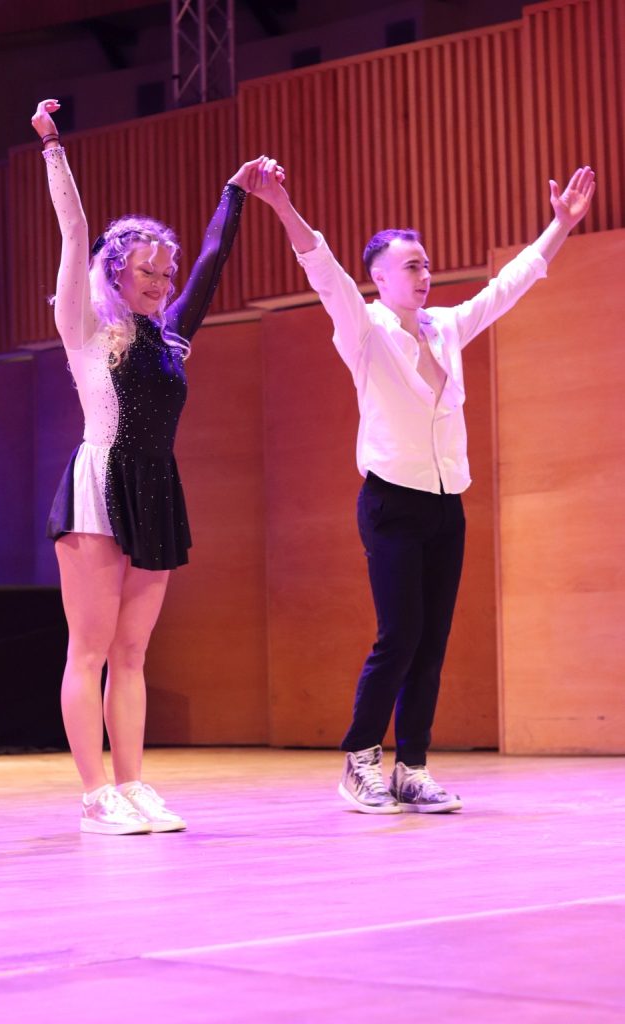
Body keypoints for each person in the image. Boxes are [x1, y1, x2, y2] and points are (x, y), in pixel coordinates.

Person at [251, 164, 595, 814]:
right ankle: (359, 761)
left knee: (431, 641)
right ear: (378, 278)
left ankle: (411, 768)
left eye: (426, 264)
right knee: (399, 635)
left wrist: (560, 226)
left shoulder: (445, 327)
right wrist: (281, 205)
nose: (424, 274)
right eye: (410, 265)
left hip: (445, 506)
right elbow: (321, 269)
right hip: (391, 504)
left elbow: (509, 284)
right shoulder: (364, 330)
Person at [31, 98, 282, 835]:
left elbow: (211, 263)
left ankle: (133, 783)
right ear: (115, 271)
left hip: (155, 487)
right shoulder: (85, 326)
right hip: (100, 485)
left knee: (133, 652)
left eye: (165, 275)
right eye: (148, 271)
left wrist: (234, 194)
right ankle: (94, 795)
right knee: (90, 649)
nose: (162, 283)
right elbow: (73, 229)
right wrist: (52, 147)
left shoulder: (170, 339)